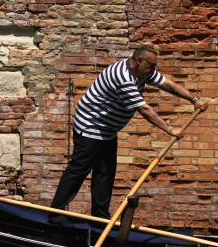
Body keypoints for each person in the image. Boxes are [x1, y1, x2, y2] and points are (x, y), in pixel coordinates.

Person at [50, 44, 209, 224]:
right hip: (90, 124)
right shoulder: (122, 77)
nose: (154, 70)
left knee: (105, 172)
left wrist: (193, 99)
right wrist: (170, 130)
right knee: (79, 168)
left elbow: (167, 85)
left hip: (108, 129)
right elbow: (143, 109)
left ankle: (100, 218)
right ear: (140, 61)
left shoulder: (143, 72)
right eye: (152, 65)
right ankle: (56, 213)